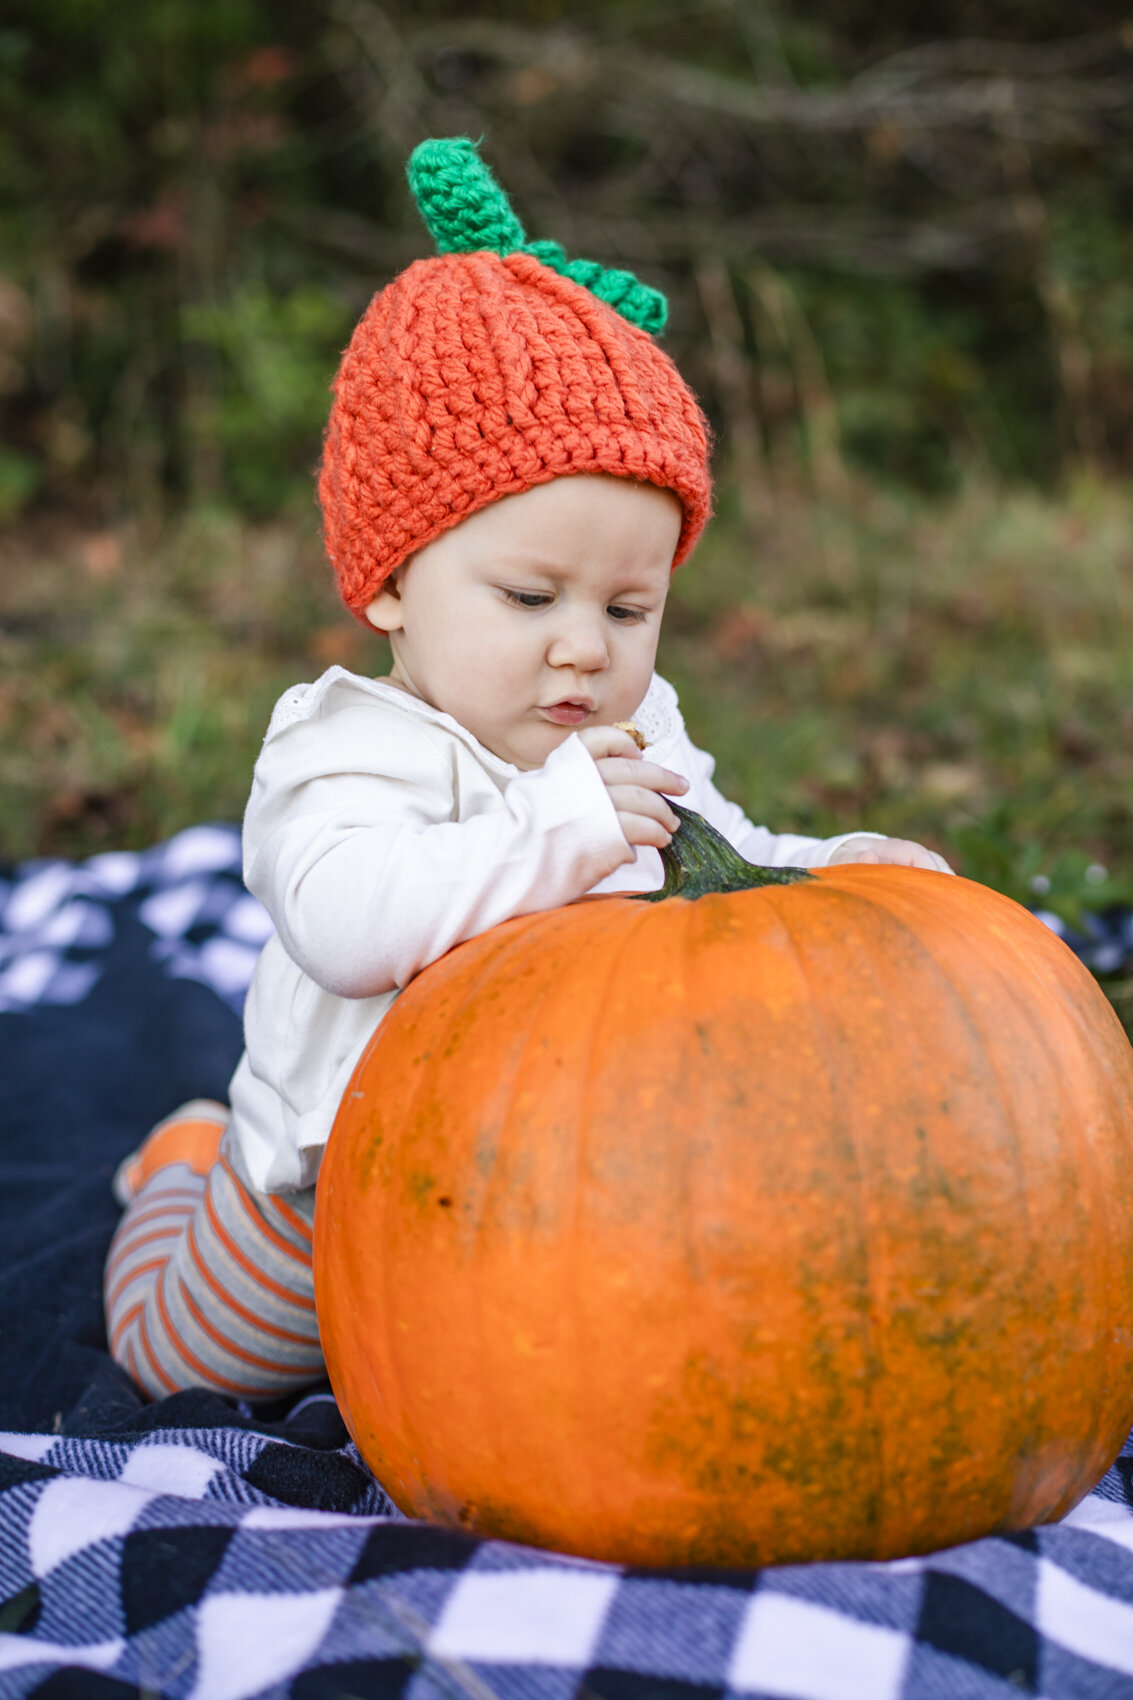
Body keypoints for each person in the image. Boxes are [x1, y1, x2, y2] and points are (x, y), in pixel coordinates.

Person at [104, 138, 951, 1404]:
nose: (582, 646)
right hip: (329, 1190)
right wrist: (556, 831)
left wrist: (834, 874)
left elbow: (718, 855)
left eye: (629, 605)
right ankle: (178, 1169)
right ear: (388, 582)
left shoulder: (629, 730)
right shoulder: (344, 747)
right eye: (528, 593)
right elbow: (342, 924)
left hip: (541, 1177)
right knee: (191, 1363)